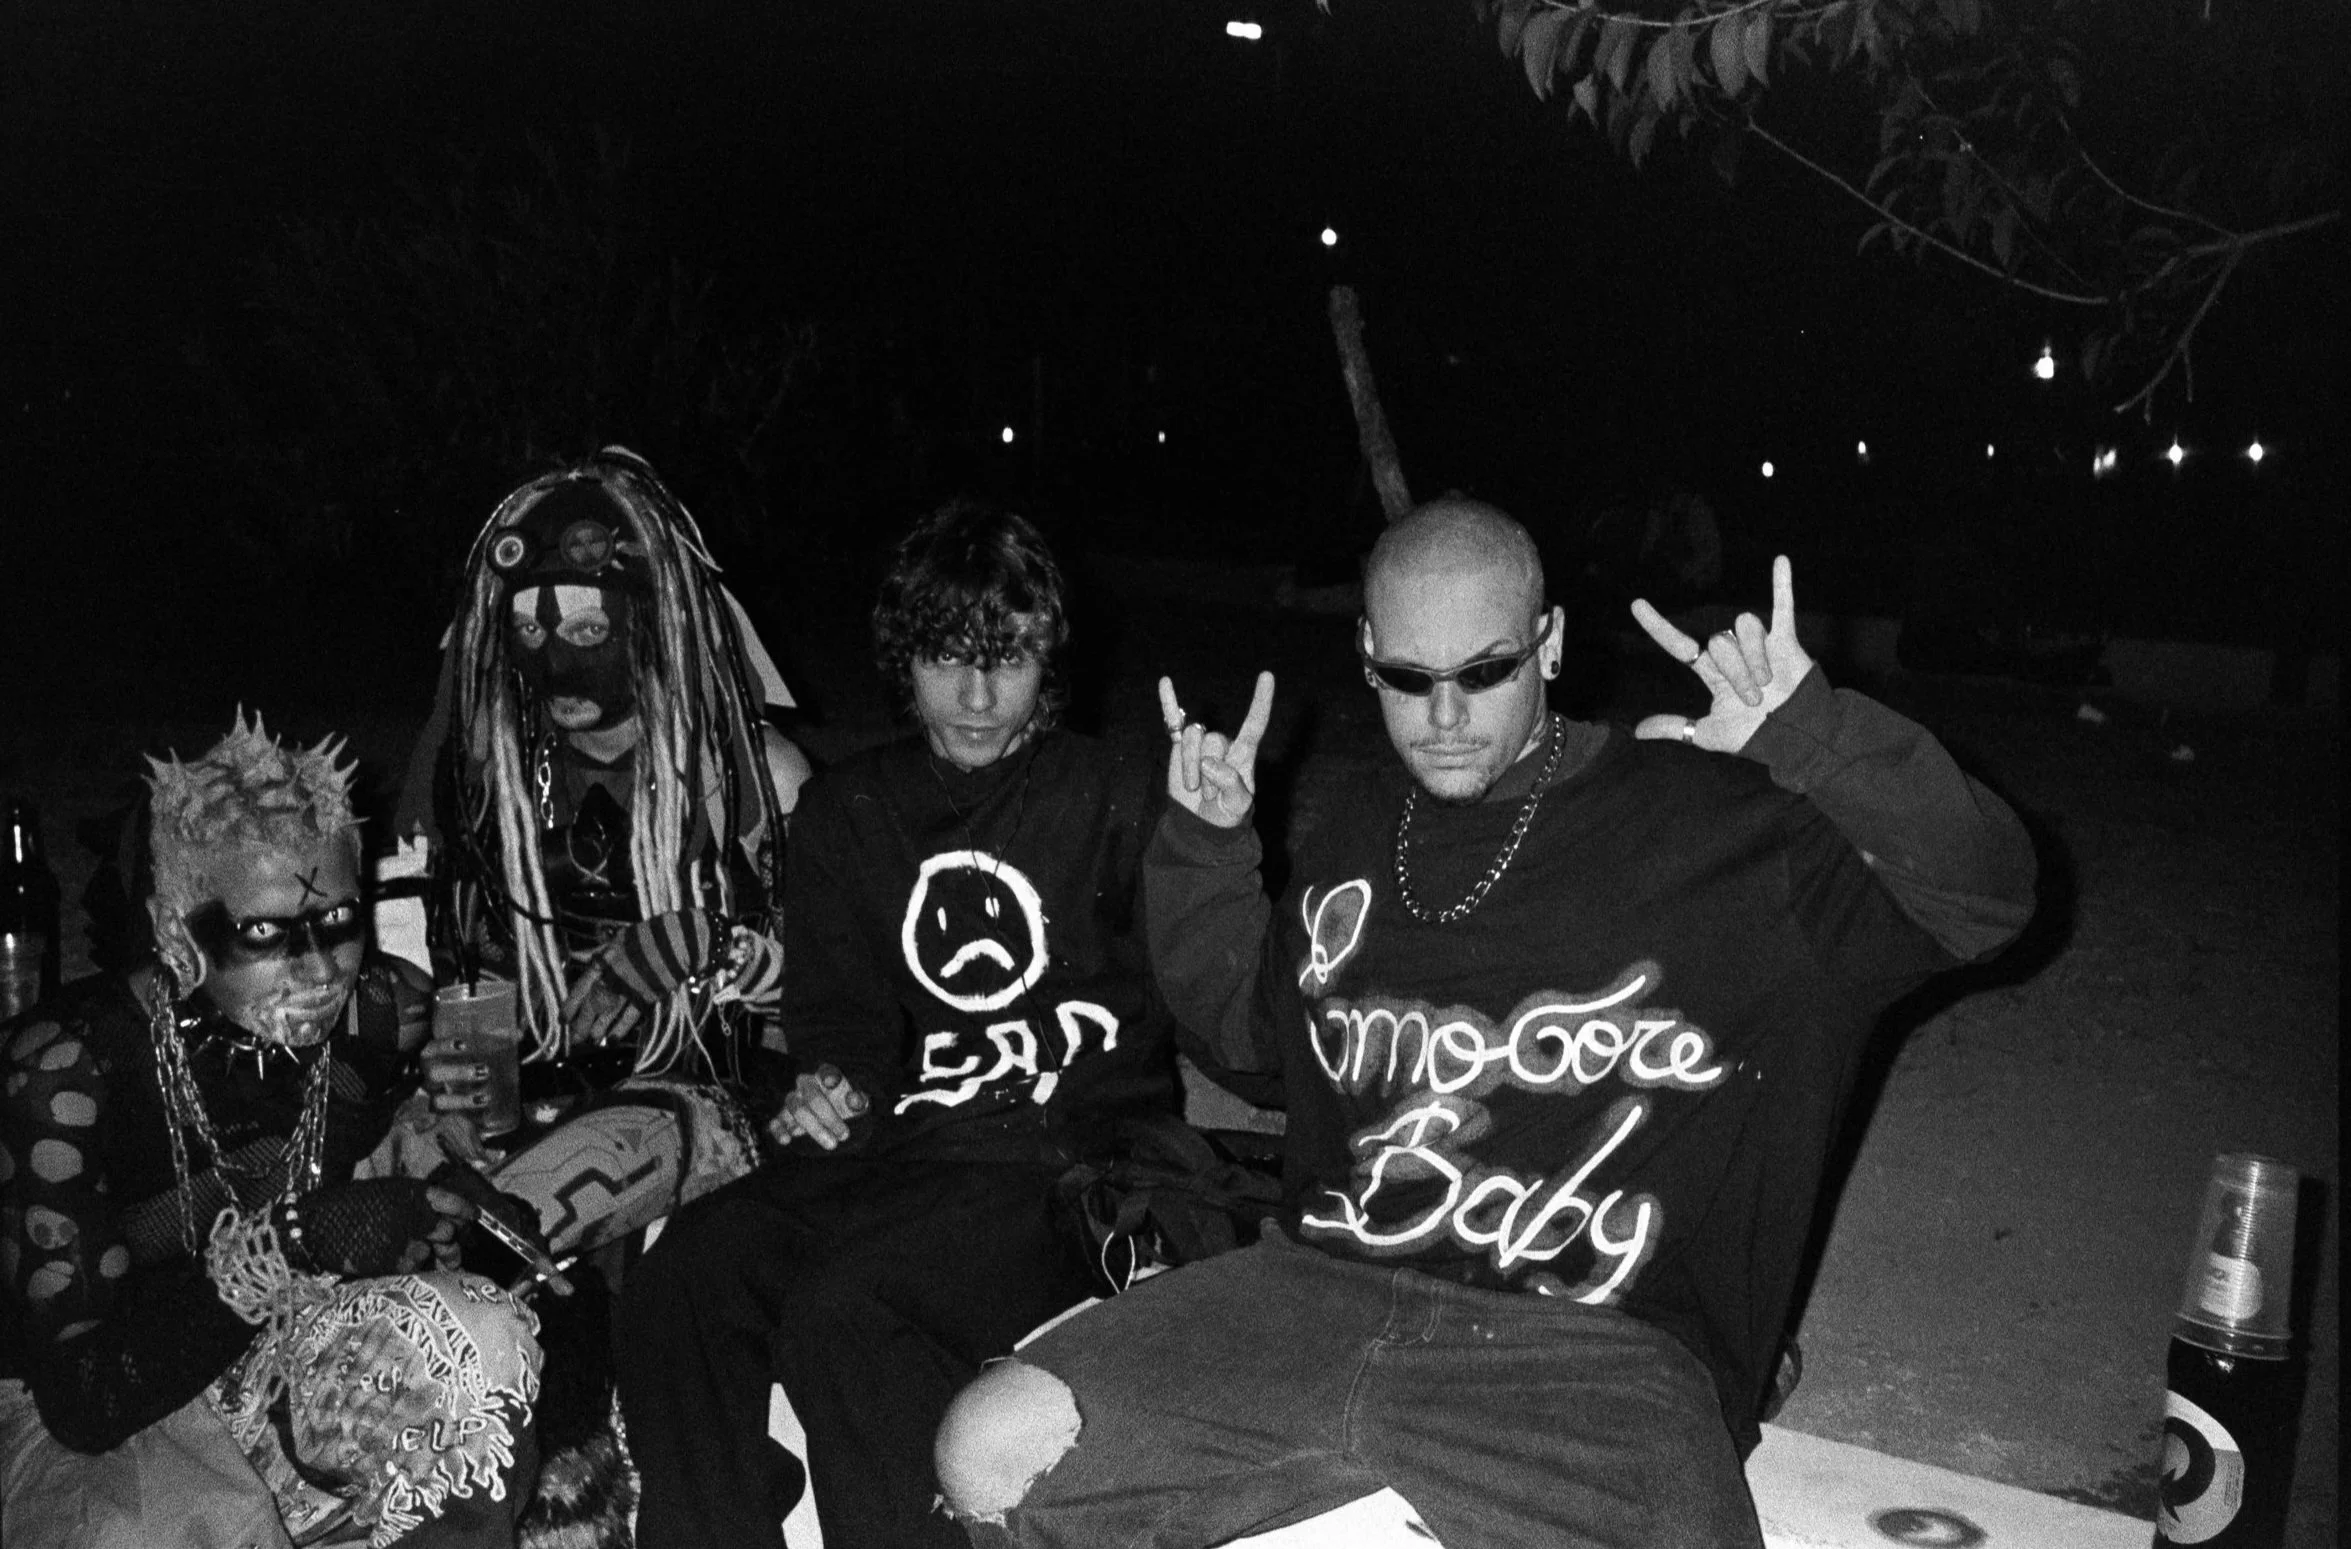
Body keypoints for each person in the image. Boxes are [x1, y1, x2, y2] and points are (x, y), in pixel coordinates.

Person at [934, 496, 2039, 1547]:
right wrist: (1205, 850)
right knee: (989, 1449)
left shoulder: (1718, 827)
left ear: (1548, 643)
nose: (1446, 716)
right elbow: (1258, 1048)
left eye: (1485, 671)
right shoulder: (1360, 830)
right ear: (1365, 654)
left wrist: (1814, 739)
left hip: (1596, 1349)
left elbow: (1983, 897)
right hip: (1318, 1290)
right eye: (1408, 680)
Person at [615, 500, 1197, 1549]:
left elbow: (1204, 984)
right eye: (944, 658)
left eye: (1006, 659)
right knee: (687, 1274)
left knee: (845, 1310)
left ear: (1047, 657)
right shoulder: (849, 810)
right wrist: (831, 1078)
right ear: (903, 659)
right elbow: (840, 1012)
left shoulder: (1113, 790)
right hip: (907, 1148)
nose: (975, 695)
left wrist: (1215, 839)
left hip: (1065, 1164)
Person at [0, 712, 544, 1549]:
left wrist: (444, 1188)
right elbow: (81, 1402)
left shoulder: (375, 1012)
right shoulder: (67, 1071)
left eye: (337, 923)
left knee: (473, 1339)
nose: (321, 968)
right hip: (79, 1408)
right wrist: (291, 1246)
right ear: (179, 932)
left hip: (262, 1350)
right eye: (264, 933)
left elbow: (379, 1145)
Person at [390, 447, 812, 1255]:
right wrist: (452, 1078)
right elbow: (471, 970)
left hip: (698, 1099)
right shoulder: (498, 778)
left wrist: (704, 944)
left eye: (589, 628)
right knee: (400, 1182)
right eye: (527, 629)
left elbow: (829, 1000)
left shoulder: (751, 779)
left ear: (651, 626)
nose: (557, 658)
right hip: (533, 1089)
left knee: (507, 1218)